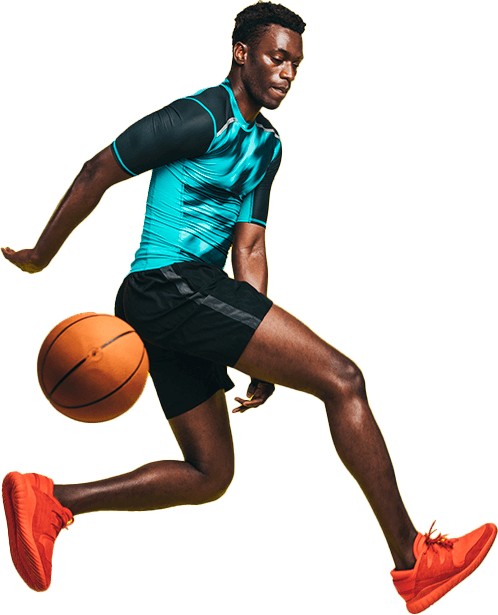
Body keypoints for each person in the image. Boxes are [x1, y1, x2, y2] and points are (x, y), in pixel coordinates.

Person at [1, 2, 495, 612]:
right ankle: (414, 561)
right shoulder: (197, 117)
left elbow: (251, 244)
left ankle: (51, 500)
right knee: (345, 380)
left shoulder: (266, 144)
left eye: (296, 63)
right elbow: (97, 170)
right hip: (168, 285)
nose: (288, 72)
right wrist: (40, 255)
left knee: (211, 474)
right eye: (276, 57)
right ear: (242, 53)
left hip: (188, 296)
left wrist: (261, 351)